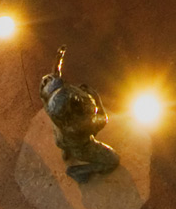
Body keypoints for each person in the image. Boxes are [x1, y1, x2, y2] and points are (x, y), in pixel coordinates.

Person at [40, 51, 120, 182]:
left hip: (60, 139)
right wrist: (96, 98)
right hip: (81, 148)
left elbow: (54, 81)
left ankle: (66, 151)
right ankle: (77, 171)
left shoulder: (49, 106)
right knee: (112, 161)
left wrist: (58, 61)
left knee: (67, 140)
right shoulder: (79, 125)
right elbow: (103, 119)